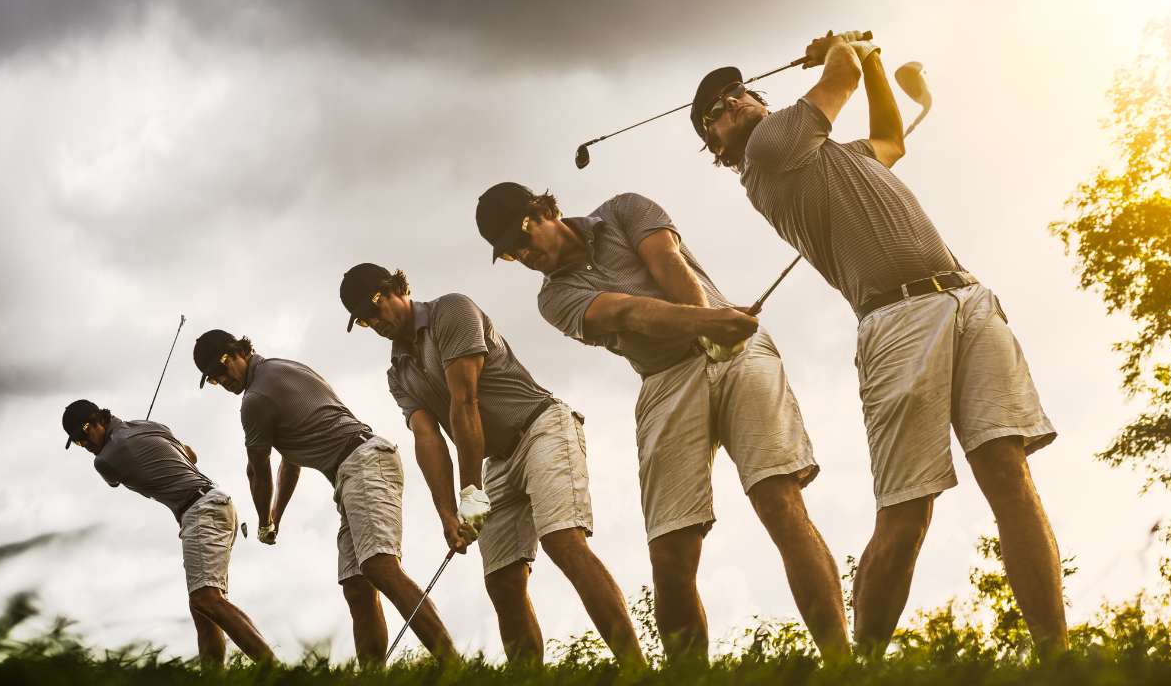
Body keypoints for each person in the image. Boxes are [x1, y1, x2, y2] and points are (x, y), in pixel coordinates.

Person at [691, 31, 1066, 656]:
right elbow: (838, 81)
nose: (735, 103)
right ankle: (860, 666)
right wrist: (843, 48)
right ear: (720, 141)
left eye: (738, 92)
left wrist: (874, 62)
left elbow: (889, 139)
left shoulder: (826, 154)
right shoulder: (769, 150)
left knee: (1008, 471)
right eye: (719, 111)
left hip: (966, 297)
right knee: (908, 508)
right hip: (896, 323)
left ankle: (1059, 657)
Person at [473, 182, 849, 661]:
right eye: (510, 254)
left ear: (543, 210)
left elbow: (668, 263)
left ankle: (844, 666)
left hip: (738, 352)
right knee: (670, 553)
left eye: (522, 238)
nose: (523, 255)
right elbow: (628, 313)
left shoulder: (625, 210)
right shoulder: (554, 299)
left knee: (779, 503)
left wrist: (713, 325)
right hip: (665, 378)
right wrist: (706, 323)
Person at [338, 263, 643, 664]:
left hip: (541, 427)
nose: (374, 322)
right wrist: (448, 512)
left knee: (562, 541)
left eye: (375, 308)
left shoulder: (452, 311)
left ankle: (638, 670)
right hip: (496, 460)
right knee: (502, 580)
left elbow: (466, 404)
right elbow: (428, 438)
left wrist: (470, 495)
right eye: (363, 320)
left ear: (395, 288)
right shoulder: (399, 373)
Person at [191, 330, 457, 664]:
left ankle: (454, 667)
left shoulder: (255, 398)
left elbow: (257, 471)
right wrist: (276, 516)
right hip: (355, 469)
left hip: (362, 462)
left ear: (234, 353)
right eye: (213, 380)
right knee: (357, 587)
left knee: (379, 566)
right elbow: (291, 462)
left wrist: (262, 523)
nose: (221, 380)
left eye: (220, 370)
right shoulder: (281, 369)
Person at [59, 399, 274, 666]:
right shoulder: (150, 426)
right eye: (78, 442)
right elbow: (190, 455)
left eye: (84, 433)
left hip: (200, 510)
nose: (85, 444)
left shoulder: (105, 459)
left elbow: (113, 479)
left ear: (99, 420)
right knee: (202, 609)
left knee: (206, 599)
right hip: (217, 504)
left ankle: (277, 673)